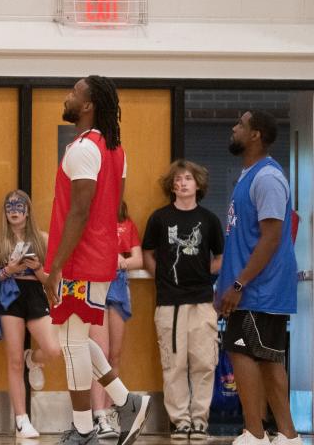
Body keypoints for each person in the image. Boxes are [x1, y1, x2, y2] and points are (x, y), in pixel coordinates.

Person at [43, 76, 150, 445]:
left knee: (71, 343)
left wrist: (55, 266)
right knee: (75, 336)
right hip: (96, 257)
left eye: (74, 92)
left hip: (80, 260)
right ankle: (126, 401)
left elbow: (81, 211)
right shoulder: (114, 149)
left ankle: (84, 428)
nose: (68, 97)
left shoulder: (85, 148)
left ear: (88, 105)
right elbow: (112, 208)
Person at [217, 110, 299, 445]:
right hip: (251, 288)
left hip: (260, 288)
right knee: (265, 358)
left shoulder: (267, 178)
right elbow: (242, 239)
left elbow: (271, 237)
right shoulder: (248, 177)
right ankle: (288, 436)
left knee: (245, 353)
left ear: (255, 135)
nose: (234, 128)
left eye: (240, 124)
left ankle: (255, 432)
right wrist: (226, 284)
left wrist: (239, 284)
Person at [142, 159, 223, 441]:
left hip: (202, 301)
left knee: (204, 362)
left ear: (197, 183)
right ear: (171, 186)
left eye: (188, 178)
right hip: (169, 303)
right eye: (177, 179)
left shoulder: (210, 220)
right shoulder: (160, 218)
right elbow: (148, 253)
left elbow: (221, 258)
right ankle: (180, 421)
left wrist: (204, 272)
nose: (182, 183)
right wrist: (162, 276)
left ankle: (200, 420)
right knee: (173, 364)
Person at [0, 190, 61, 439]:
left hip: (36, 294)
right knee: (13, 360)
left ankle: (33, 359)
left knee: (53, 349)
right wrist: (7, 270)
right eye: (9, 206)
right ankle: (21, 419)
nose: (14, 210)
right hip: (9, 296)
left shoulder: (43, 239)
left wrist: (37, 268)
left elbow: (52, 280)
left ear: (28, 210)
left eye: (19, 206)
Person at [90, 202, 143, 440]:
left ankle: (111, 410)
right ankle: (97, 413)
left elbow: (138, 259)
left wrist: (121, 261)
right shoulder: (90, 222)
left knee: (115, 354)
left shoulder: (126, 223)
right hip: (95, 284)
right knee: (98, 353)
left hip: (119, 285)